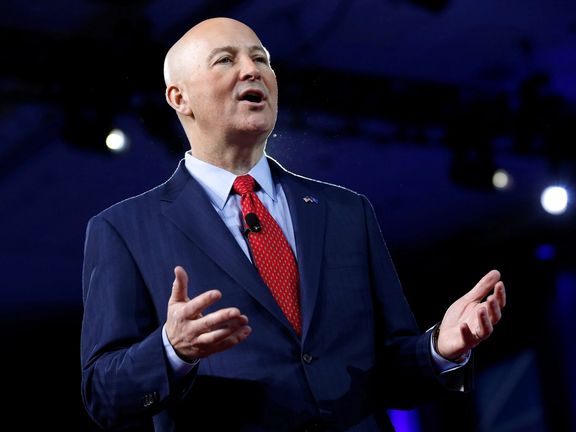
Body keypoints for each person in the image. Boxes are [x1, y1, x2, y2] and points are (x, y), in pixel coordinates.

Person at [80, 17, 506, 431]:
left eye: (261, 59)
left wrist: (438, 348)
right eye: (225, 60)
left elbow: (391, 370)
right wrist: (171, 350)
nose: (252, 70)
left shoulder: (346, 211)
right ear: (179, 97)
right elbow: (104, 396)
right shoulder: (123, 230)